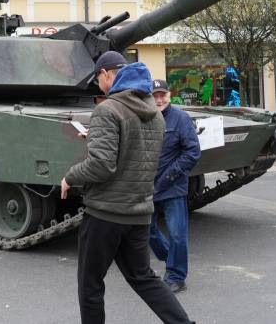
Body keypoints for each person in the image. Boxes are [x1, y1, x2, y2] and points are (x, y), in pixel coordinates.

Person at [61, 51, 193, 324]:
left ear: (106, 74)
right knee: (143, 278)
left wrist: (70, 177)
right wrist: (99, 137)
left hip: (105, 213)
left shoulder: (107, 109)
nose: (99, 85)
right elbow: (135, 151)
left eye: (98, 79)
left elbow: (101, 165)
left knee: (90, 284)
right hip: (139, 213)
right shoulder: (156, 115)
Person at [148, 79, 202, 294]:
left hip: (172, 185)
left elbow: (192, 152)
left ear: (169, 96)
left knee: (177, 234)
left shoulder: (181, 119)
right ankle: (172, 256)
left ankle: (176, 276)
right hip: (147, 186)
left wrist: (169, 175)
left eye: (162, 95)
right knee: (147, 231)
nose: (159, 100)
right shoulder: (144, 117)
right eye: (155, 96)